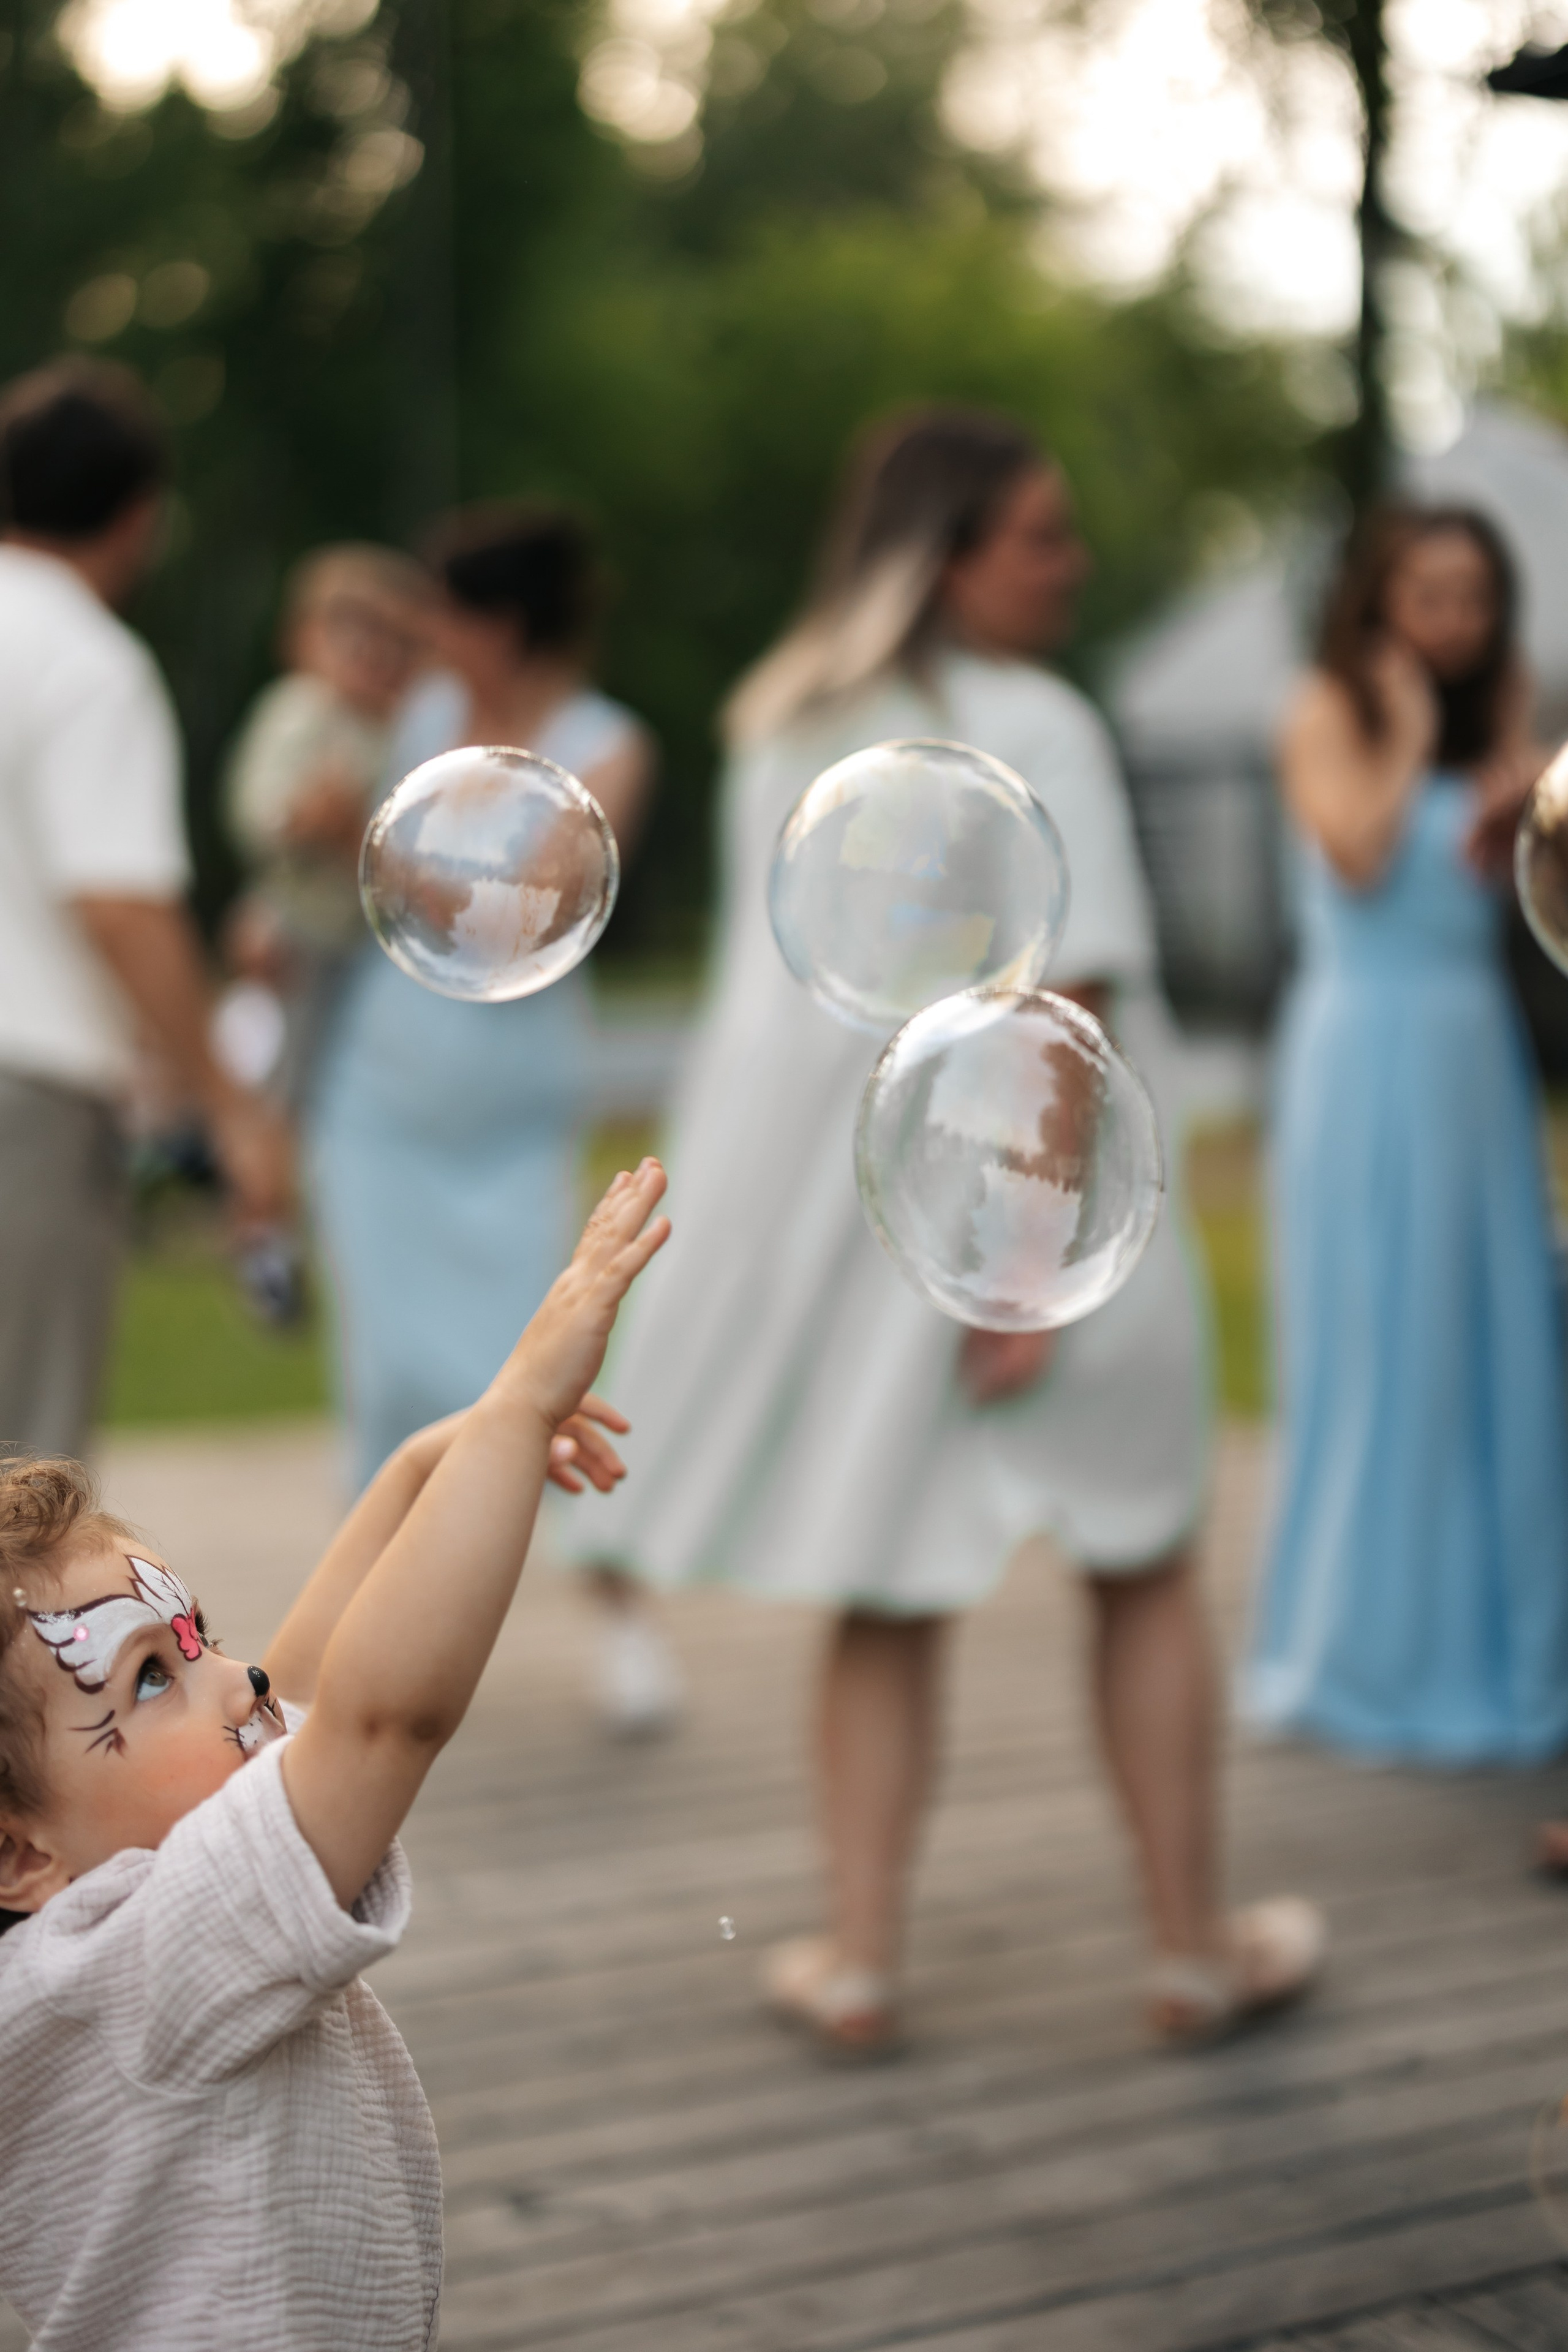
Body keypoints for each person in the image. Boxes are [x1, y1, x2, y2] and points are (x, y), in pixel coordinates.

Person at [563, 405, 1324, 2052]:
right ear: (948, 555)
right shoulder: (1036, 717)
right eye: (1042, 536)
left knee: (886, 1590)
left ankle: (859, 1959)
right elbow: (1085, 992)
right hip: (1052, 1213)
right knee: (1143, 1564)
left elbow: (773, 1040)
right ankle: (1194, 1952)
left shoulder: (792, 721)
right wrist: (1041, 1262)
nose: (1077, 563)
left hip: (885, 1232)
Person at [0, 1156, 668, 2350]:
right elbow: (377, 1717)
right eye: (154, 1674)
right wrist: (516, 1407)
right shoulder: (129, 1972)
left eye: (199, 1636)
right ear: (18, 1853)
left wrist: (422, 1469)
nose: (234, 1676)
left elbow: (301, 1685)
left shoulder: (100, 1931)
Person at [307, 503, 682, 1733]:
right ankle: (346, 1664)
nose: (426, 632)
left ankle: (623, 1619)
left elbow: (544, 899)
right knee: (383, 1380)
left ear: (504, 624)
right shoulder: (407, 720)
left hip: (507, 1119)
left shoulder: (603, 744)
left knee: (547, 1374)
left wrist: (368, 843)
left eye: (449, 609)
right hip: (375, 1099)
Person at [1243, 504, 1568, 1765]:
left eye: (1473, 596)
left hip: (1466, 1051)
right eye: (1428, 594)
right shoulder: (1319, 709)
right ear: (1376, 599)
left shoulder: (1511, 704)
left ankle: (1495, 1641)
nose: (1453, 620)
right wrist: (1418, 737)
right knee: (1376, 1341)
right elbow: (1357, 852)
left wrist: (1506, 818)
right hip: (1358, 1055)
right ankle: (1363, 1647)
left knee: (1484, 1341)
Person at [0, 358, 291, 1460]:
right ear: (140, 517)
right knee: (21, 1479)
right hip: (25, 1095)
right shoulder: (85, 661)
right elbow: (121, 905)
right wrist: (230, 1105)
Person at [224, 543, 428, 1106]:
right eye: (357, 639)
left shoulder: (406, 730)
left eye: (398, 643)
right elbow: (260, 814)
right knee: (291, 1064)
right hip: (303, 926)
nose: (378, 656)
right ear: (303, 642)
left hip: (367, 940)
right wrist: (299, 818)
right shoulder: (303, 712)